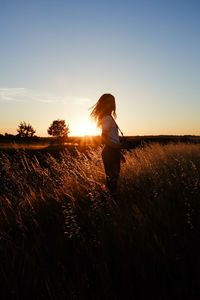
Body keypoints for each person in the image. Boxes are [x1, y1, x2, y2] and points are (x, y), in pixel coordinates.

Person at [90, 93, 122, 196]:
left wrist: (119, 152)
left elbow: (112, 137)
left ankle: (108, 202)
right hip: (110, 151)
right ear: (104, 104)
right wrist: (116, 147)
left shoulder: (109, 117)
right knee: (112, 181)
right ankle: (109, 203)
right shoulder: (107, 118)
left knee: (112, 180)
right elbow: (103, 138)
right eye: (108, 101)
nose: (111, 103)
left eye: (112, 101)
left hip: (112, 151)